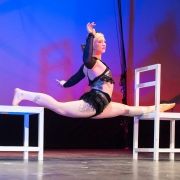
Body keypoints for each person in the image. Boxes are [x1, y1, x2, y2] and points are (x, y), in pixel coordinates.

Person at [12, 22, 175, 119]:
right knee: (59, 107)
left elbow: (75, 78)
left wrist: (64, 84)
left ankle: (157, 107)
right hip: (95, 101)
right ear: (92, 45)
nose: (104, 43)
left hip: (104, 102)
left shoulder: (91, 65)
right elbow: (86, 59)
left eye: (105, 41)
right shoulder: (91, 62)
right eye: (100, 41)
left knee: (127, 110)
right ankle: (23, 94)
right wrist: (91, 35)